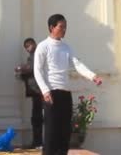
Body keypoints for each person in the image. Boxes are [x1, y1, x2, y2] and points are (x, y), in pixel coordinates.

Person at [34, 14, 103, 155]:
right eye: (61, 27)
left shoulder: (66, 47)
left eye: (65, 27)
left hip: (65, 93)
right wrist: (45, 91)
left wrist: (92, 76)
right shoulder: (43, 46)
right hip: (51, 93)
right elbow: (37, 70)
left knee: (65, 131)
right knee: (51, 131)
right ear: (52, 27)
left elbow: (77, 64)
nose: (64, 30)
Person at [15, 37, 43, 149]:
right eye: (26, 47)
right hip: (35, 90)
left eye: (29, 45)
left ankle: (38, 142)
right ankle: (37, 141)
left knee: (37, 118)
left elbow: (33, 69)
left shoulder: (36, 55)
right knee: (36, 117)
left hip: (38, 90)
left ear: (34, 44)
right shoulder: (31, 56)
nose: (28, 48)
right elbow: (30, 71)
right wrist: (21, 74)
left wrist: (20, 68)